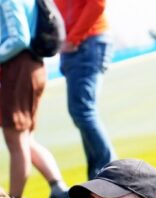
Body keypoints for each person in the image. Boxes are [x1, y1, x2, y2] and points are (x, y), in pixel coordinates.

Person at [0, 0, 70, 198]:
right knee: (26, 139)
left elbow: (18, 39)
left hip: (19, 70)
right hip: (35, 67)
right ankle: (59, 189)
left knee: (16, 141)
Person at [56, 0, 116, 179]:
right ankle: (98, 178)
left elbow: (97, 4)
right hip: (79, 44)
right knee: (81, 112)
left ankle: (111, 175)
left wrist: (73, 38)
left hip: (86, 42)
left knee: (83, 111)